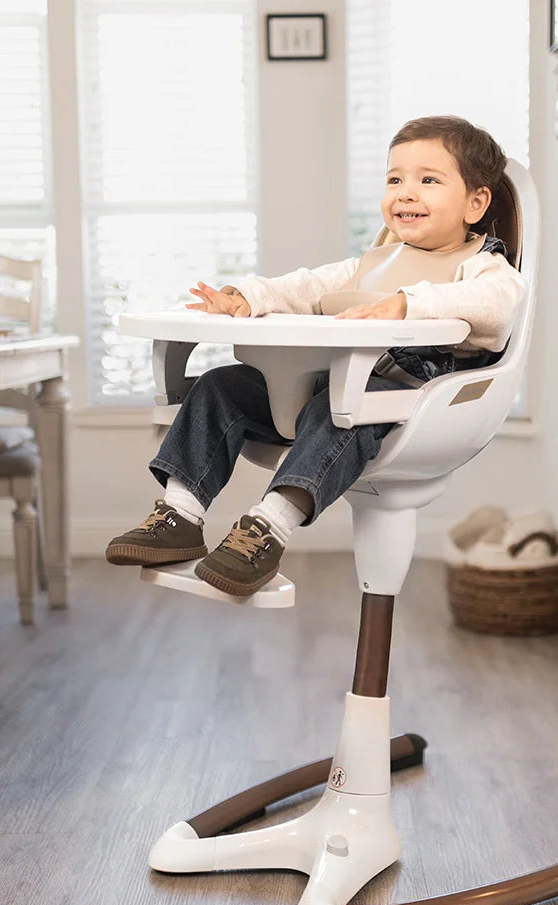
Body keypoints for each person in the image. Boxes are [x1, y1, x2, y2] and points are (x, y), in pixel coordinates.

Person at [105, 115, 526, 596]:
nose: (406, 193)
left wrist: (408, 304)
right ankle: (179, 514)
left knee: (341, 413)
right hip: (329, 390)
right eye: (395, 179)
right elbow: (306, 286)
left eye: (428, 180)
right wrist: (249, 297)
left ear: (476, 202)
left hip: (404, 410)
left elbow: (497, 310)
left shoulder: (482, 268)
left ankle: (267, 529)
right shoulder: (373, 262)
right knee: (220, 385)